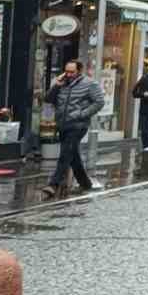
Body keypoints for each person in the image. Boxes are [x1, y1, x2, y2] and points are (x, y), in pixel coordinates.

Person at [42, 61, 105, 198]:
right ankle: (85, 183)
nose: (69, 75)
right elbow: (48, 99)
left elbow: (99, 102)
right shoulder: (60, 82)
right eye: (67, 71)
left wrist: (82, 114)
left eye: (72, 72)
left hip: (78, 125)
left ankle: (53, 184)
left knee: (65, 154)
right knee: (72, 154)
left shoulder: (90, 84)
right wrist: (56, 87)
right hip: (62, 124)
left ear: (79, 71)